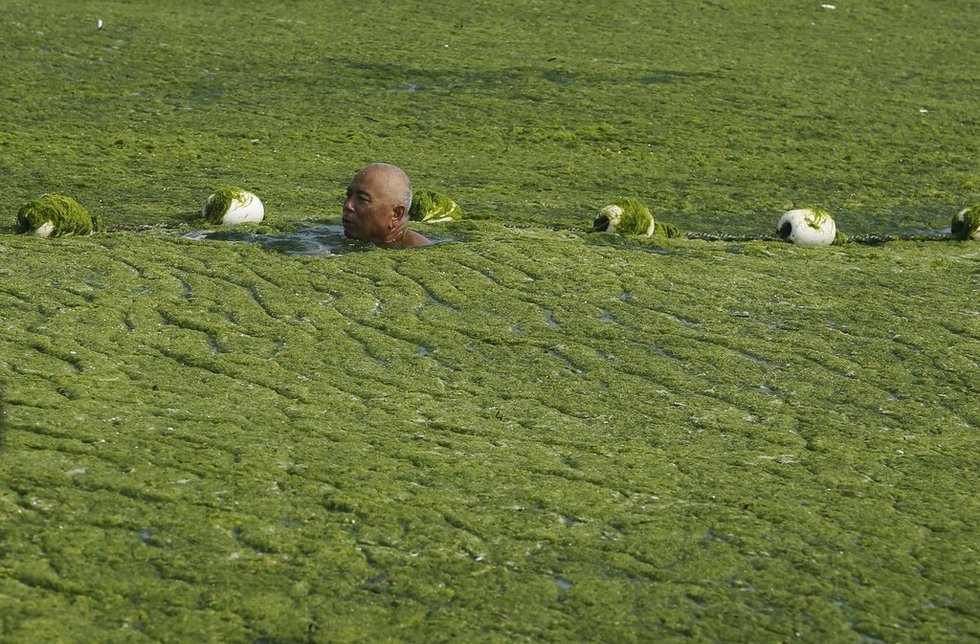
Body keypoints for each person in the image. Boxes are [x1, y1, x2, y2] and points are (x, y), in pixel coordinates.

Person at [341, 163, 431, 248]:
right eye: (349, 195)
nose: (348, 205)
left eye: (362, 199)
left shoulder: (418, 252)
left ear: (396, 214)